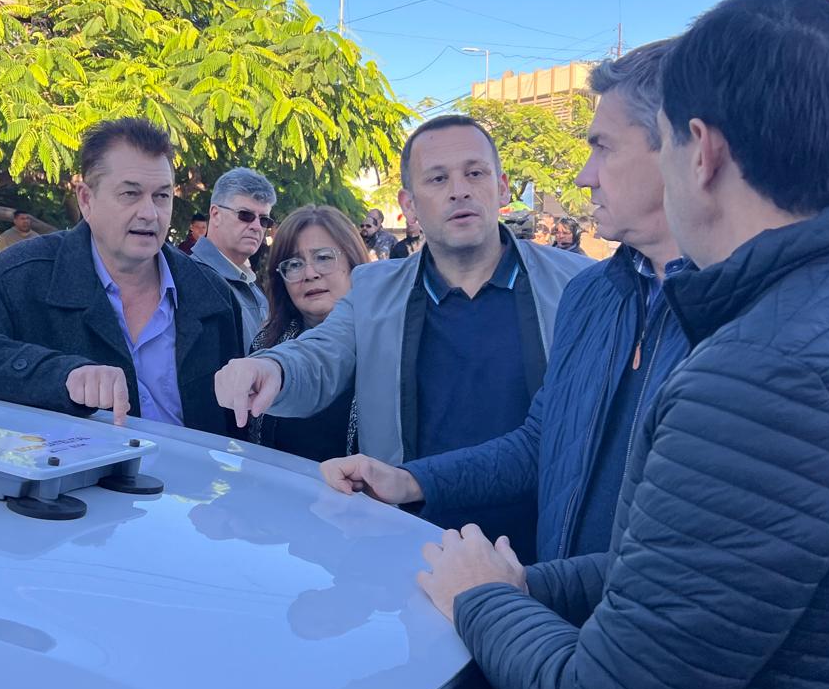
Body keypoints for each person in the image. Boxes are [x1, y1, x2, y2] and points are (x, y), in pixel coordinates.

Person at [416, 0, 829, 689]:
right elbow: (705, 570)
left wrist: (482, 600)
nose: (589, 175)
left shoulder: (764, 371)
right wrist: (535, 587)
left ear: (702, 151)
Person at [322, 40, 688, 562]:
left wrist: (515, 590)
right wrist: (409, 481)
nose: (583, 176)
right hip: (475, 574)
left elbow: (693, 566)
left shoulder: (744, 315)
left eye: (603, 148)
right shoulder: (600, 295)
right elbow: (544, 441)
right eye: (438, 179)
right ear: (410, 203)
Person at [215, 115, 590, 559]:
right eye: (437, 178)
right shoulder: (374, 290)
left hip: (547, 557)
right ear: (408, 205)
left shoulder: (579, 285)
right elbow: (321, 354)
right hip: (410, 552)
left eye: (475, 173)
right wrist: (271, 367)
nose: (459, 190)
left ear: (502, 188)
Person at [0, 117, 243, 433]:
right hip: (72, 471)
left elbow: (238, 424)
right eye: (130, 194)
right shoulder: (19, 276)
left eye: (161, 196)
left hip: (195, 471)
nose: (149, 213)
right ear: (86, 199)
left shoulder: (211, 293)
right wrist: (63, 376)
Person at [247, 205, 369, 462]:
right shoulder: (265, 346)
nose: (310, 274)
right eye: (294, 264)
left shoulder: (389, 345)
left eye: (323, 257)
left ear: (353, 262)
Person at [192, 168, 275, 351]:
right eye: (245, 215)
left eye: (264, 220)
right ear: (215, 215)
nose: (256, 227)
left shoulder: (250, 284)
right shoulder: (192, 279)